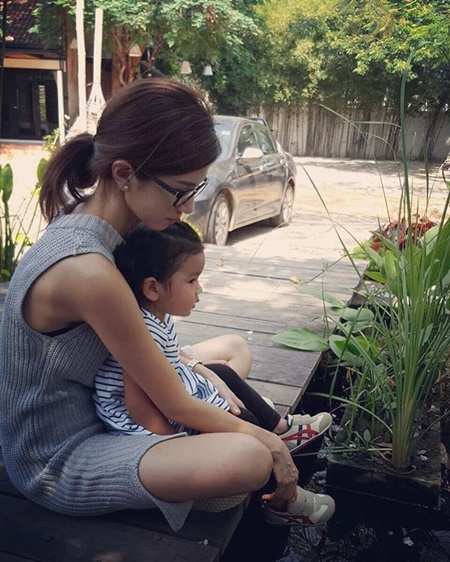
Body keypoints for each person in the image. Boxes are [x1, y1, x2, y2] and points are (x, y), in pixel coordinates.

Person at [0, 78, 328, 560]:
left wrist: (197, 375)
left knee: (232, 351)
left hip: (104, 394)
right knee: (250, 457)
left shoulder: (96, 223)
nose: (189, 207)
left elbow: (146, 351)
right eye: (180, 192)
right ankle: (262, 449)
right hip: (60, 455)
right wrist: (272, 445)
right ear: (124, 173)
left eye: (195, 189)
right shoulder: (89, 271)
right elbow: (173, 401)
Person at [93, 221, 334, 462]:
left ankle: (281, 429)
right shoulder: (143, 329)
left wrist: (205, 374)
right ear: (153, 289)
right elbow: (139, 407)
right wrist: (178, 444)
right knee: (244, 423)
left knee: (221, 372)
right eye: (191, 281)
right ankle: (278, 463)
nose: (200, 289)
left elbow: (169, 358)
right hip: (143, 424)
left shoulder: (155, 315)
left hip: (165, 393)